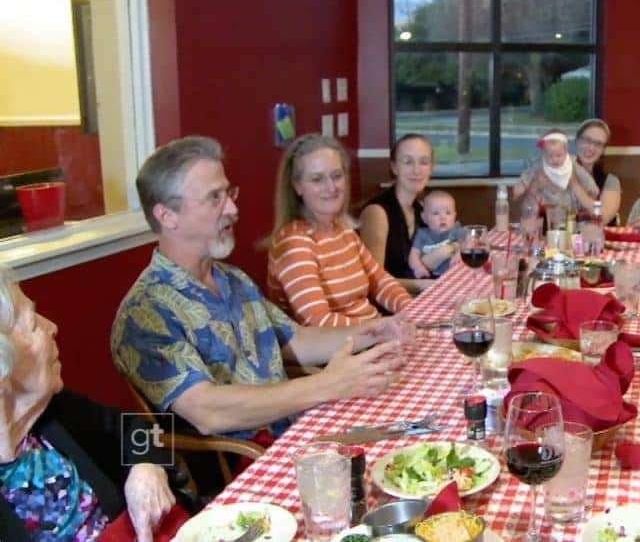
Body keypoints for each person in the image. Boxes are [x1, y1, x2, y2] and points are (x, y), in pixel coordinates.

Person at [112, 136, 405, 441]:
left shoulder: (233, 279)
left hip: (299, 429)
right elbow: (207, 411)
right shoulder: (145, 312)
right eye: (215, 198)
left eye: (229, 194)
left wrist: (373, 331)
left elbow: (297, 340)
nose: (233, 209)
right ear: (166, 215)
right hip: (247, 463)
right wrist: (328, 385)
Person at [0, 266, 175, 542]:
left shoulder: (52, 412)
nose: (52, 327)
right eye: (34, 324)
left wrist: (146, 467)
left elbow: (139, 428)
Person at [268, 134, 412, 326]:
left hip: (373, 337)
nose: (331, 187)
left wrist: (410, 311)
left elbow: (380, 282)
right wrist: (381, 328)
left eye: (337, 176)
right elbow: (319, 322)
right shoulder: (294, 243)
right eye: (317, 179)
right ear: (297, 186)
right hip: (338, 351)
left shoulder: (343, 230)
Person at [359, 134, 434, 284]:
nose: (416, 170)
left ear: (431, 168)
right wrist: (424, 286)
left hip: (418, 297)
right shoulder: (377, 212)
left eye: (424, 162)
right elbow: (374, 280)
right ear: (394, 167)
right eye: (408, 162)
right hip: (390, 304)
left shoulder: (421, 210)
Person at [512, 129, 600, 215]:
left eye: (559, 155)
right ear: (544, 153)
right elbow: (518, 191)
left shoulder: (573, 166)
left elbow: (593, 191)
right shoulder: (538, 166)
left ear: (566, 151)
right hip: (544, 213)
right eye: (550, 156)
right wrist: (532, 185)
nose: (554, 160)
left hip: (570, 215)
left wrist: (576, 185)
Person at [408, 190, 465, 278]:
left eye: (448, 213)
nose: (443, 217)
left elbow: (471, 243)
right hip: (432, 277)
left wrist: (459, 254)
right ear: (424, 218)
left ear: (454, 216)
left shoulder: (456, 230)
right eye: (436, 213)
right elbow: (413, 255)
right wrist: (418, 268)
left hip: (456, 275)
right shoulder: (422, 235)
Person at [574, 118, 621, 224]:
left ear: (603, 150)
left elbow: (602, 219)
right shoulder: (556, 173)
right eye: (587, 140)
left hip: (595, 238)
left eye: (598, 144)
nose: (591, 148)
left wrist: (573, 183)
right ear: (577, 141)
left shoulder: (610, 181)